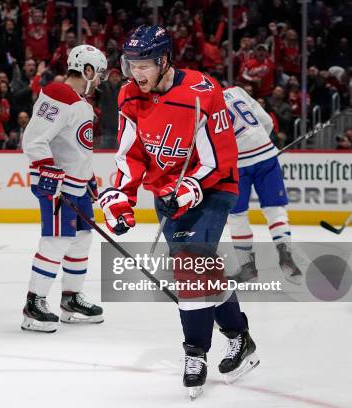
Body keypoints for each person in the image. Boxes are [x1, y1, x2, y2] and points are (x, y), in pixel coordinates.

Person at [99, 26, 258, 398]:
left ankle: (195, 352)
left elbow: (219, 157)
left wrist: (189, 188)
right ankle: (240, 337)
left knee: (190, 267)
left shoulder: (201, 92)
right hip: (166, 192)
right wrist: (122, 197)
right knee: (203, 269)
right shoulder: (128, 96)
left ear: (164, 60)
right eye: (131, 65)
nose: (136, 73)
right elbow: (129, 154)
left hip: (213, 187)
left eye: (144, 65)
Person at [21, 45, 108, 333]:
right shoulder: (59, 94)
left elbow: (76, 146)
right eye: (99, 72)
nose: (101, 79)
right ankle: (34, 304)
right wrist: (48, 170)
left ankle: (71, 299)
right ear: (87, 70)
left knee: (82, 237)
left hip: (76, 185)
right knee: (56, 240)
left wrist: (89, 178)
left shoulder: (79, 101)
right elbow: (33, 139)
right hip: (57, 185)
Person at [224, 85, 303, 285]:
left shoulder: (202, 105)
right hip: (266, 153)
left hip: (238, 163)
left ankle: (248, 269)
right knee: (275, 209)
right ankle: (286, 256)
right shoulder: (236, 90)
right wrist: (261, 146)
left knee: (236, 216)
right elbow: (266, 121)